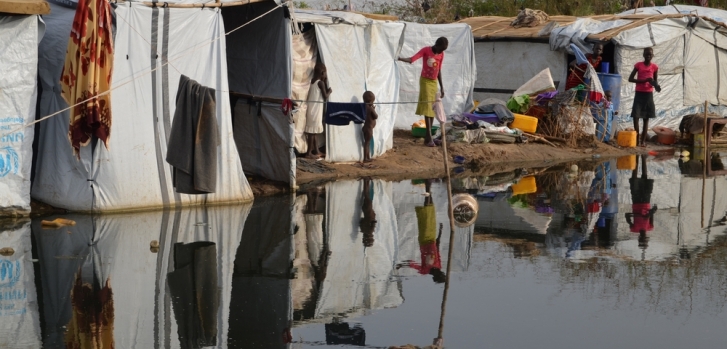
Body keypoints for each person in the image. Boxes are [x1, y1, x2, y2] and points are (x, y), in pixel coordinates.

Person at [398, 37, 448, 147]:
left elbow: (439, 70)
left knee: (432, 108)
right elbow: (412, 59)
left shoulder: (441, 54)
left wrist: (442, 87)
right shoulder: (426, 50)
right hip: (425, 81)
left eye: (443, 50)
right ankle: (428, 136)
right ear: (436, 44)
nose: (441, 52)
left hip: (434, 82)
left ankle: (428, 137)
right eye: (441, 49)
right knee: (427, 107)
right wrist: (400, 58)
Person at [625, 154, 657, 260]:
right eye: (645, 239)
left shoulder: (634, 228)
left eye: (641, 239)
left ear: (639, 238)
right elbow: (651, 215)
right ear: (647, 238)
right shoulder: (650, 227)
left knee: (634, 179)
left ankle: (635, 159)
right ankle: (643, 157)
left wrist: (635, 214)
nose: (643, 238)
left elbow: (627, 216)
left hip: (636, 201)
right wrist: (651, 211)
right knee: (645, 177)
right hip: (646, 201)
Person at [628, 47, 661, 147]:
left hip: (648, 94)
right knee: (636, 116)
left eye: (650, 54)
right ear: (643, 55)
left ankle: (643, 141)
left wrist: (657, 87)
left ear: (652, 56)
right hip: (639, 93)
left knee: (646, 118)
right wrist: (644, 81)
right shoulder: (638, 65)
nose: (648, 56)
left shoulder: (654, 67)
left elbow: (655, 81)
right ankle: (637, 139)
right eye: (646, 54)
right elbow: (630, 79)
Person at [305, 63, 332, 159]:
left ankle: (316, 150)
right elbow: (325, 96)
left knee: (314, 131)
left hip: (312, 109)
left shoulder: (313, 81)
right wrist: (329, 91)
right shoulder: (320, 83)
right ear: (322, 73)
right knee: (312, 133)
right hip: (316, 110)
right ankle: (308, 153)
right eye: (325, 73)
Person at [359, 178, 377, 247]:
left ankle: (366, 181)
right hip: (365, 211)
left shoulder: (370, 231)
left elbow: (374, 222)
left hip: (369, 211)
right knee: (366, 195)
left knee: (366, 195)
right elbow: (361, 221)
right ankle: (366, 181)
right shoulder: (363, 230)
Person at [362, 91, 378, 163]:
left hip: (365, 127)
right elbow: (375, 116)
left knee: (367, 143)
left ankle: (368, 157)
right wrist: (373, 109)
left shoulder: (364, 107)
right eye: (372, 101)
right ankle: (365, 158)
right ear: (370, 101)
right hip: (369, 128)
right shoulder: (370, 108)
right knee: (367, 143)